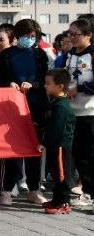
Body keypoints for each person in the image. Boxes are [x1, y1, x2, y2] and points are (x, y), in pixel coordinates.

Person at [0, 19, 50, 205]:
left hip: (35, 107)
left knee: (35, 149)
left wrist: (33, 84)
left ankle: (34, 189)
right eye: (26, 36)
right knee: (13, 150)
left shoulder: (40, 55)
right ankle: (7, 190)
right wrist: (9, 84)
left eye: (33, 37)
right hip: (12, 106)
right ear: (17, 36)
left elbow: (45, 80)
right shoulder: (7, 55)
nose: (30, 40)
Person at [62, 19, 92, 208]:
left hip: (90, 112)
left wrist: (79, 88)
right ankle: (87, 192)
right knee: (79, 155)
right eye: (70, 33)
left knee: (90, 155)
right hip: (73, 112)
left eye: (76, 34)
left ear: (89, 36)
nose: (72, 37)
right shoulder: (71, 54)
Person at [40, 69, 76, 214]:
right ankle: (56, 199)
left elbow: (57, 129)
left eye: (48, 83)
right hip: (55, 146)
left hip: (61, 145)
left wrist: (44, 143)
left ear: (60, 86)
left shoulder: (61, 105)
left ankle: (64, 202)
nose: (45, 86)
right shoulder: (56, 101)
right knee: (56, 173)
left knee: (62, 175)